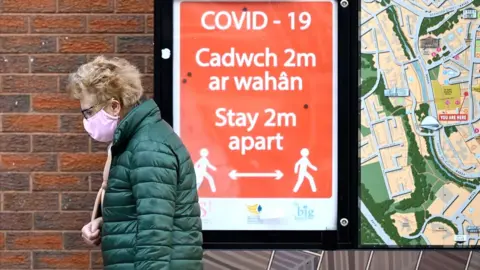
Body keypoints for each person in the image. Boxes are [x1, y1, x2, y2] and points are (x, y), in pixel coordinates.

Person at [68, 56, 203, 269]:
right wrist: (105, 224)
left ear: (114, 106)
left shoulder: (147, 147)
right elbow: (143, 215)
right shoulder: (138, 141)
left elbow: (154, 232)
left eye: (88, 112)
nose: (86, 120)